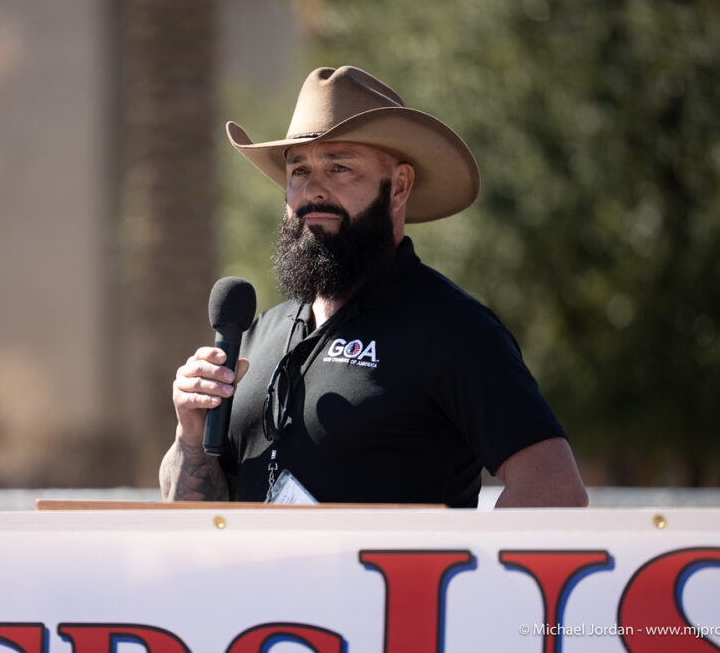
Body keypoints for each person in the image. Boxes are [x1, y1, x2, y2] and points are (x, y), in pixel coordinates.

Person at [160, 65, 588, 507]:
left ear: (399, 186)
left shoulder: (454, 330)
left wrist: (458, 555)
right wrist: (190, 437)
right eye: (299, 170)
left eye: (339, 167)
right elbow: (192, 522)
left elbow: (554, 488)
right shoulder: (257, 336)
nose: (313, 190)